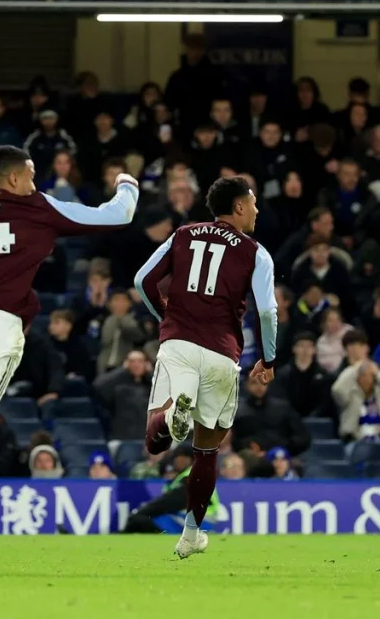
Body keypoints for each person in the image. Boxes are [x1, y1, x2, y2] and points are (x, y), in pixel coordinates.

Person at [133, 176, 278, 559]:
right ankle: (192, 534)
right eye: (254, 203)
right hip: (222, 355)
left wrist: (165, 313)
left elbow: (143, 279)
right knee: (207, 451)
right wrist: (269, 357)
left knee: (155, 440)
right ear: (241, 207)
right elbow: (266, 310)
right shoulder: (256, 252)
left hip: (178, 343)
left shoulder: (182, 234)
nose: (258, 210)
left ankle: (168, 419)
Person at [0, 145, 137, 428]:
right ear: (15, 179)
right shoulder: (38, 207)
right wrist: (127, 185)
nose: (33, 184)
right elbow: (118, 215)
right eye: (30, 177)